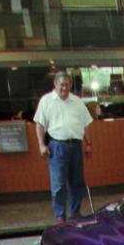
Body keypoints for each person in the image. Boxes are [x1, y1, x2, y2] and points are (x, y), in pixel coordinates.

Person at [33, 71, 93, 222]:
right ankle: (60, 216)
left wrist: (88, 143)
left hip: (76, 146)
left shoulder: (77, 101)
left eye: (67, 85)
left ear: (70, 85)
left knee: (77, 182)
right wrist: (41, 144)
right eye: (61, 85)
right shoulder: (46, 101)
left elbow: (85, 124)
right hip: (57, 146)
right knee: (59, 183)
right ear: (55, 84)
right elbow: (39, 125)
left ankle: (75, 214)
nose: (64, 88)